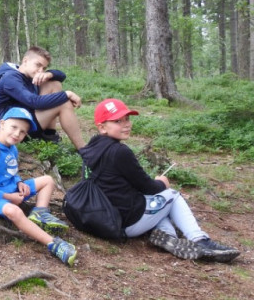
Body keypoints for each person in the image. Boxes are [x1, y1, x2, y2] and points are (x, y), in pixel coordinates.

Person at [80, 98, 240, 262]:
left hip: (100, 218)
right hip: (125, 223)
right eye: (117, 121)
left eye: (127, 119)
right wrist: (162, 182)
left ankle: (166, 235)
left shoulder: (90, 149)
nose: (126, 124)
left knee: (157, 204)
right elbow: (148, 187)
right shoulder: (120, 151)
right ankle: (200, 240)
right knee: (171, 196)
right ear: (102, 127)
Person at [0, 107, 77, 266]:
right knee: (14, 211)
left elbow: (12, 171)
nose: (17, 134)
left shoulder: (12, 148)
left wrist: (19, 182)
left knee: (48, 180)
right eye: (14, 127)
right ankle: (53, 244)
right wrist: (9, 197)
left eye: (22, 132)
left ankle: (40, 214)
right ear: (2, 124)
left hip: (12, 189)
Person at [0, 46, 85, 150]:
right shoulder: (10, 78)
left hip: (25, 116)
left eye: (44, 68)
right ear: (25, 61)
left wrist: (49, 74)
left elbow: (61, 76)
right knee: (64, 104)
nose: (40, 71)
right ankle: (84, 150)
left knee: (54, 84)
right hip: (13, 128)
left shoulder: (28, 75)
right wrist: (67, 94)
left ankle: (49, 135)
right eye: (38, 65)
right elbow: (34, 102)